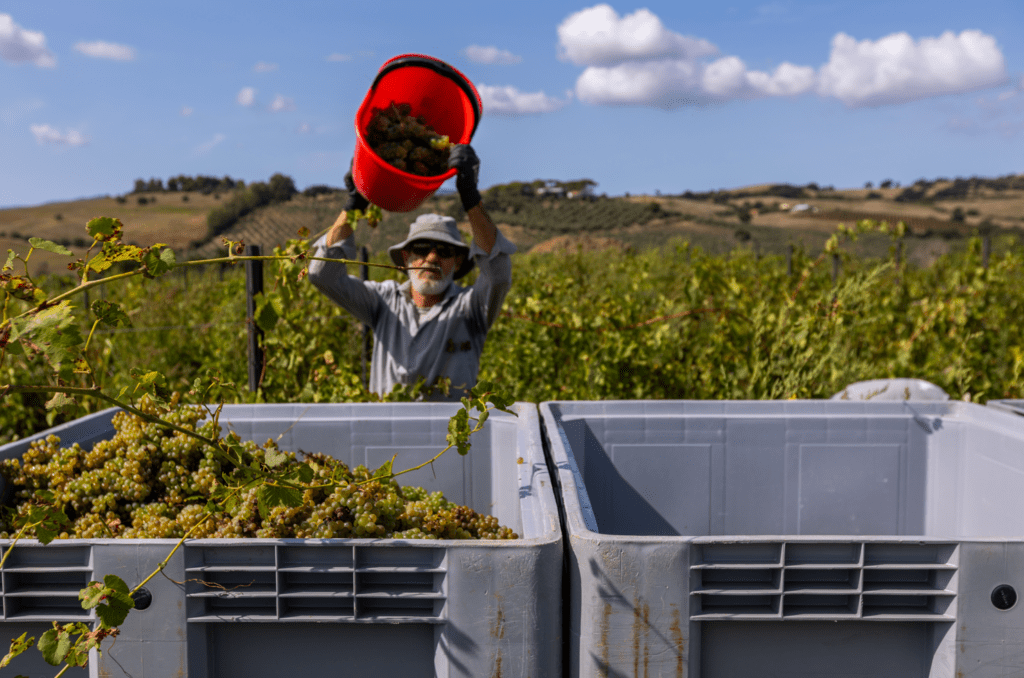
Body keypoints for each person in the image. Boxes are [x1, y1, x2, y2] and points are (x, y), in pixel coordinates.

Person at [308, 145, 516, 400]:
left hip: (451, 440)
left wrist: (471, 197)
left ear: (459, 262)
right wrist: (355, 203)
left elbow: (498, 274)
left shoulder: (470, 309)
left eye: (444, 250)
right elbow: (321, 273)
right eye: (420, 249)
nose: (431, 257)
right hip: (387, 437)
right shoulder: (383, 302)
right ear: (406, 258)